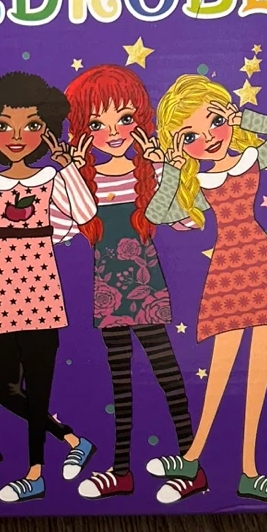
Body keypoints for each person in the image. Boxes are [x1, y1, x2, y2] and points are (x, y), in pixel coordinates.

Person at [142, 75, 267, 504]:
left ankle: (249, 471)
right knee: (220, 370)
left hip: (266, 269)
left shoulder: (250, 158)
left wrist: (246, 119)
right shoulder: (200, 184)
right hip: (228, 274)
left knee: (259, 374)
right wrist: (174, 168)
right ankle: (192, 456)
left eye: (214, 121)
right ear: (180, 144)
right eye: (190, 136)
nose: (208, 138)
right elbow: (158, 213)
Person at [61, 64, 193, 498]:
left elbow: (178, 217)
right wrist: (72, 168)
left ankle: (190, 459)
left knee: (165, 368)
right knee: (120, 378)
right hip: (108, 288)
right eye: (97, 124)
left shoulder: (149, 174)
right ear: (83, 131)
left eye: (124, 118)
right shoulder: (84, 180)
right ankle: (121, 469)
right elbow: (68, 223)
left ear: (140, 119)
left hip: (145, 283)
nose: (113, 132)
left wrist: (162, 165)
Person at [0, 71, 97, 503]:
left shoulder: (50, 179)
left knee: (39, 387)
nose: (17, 137)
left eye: (32, 125)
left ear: (46, 130)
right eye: (4, 126)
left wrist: (67, 166)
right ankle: (73, 440)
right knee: (2, 390)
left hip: (42, 291)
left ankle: (35, 473)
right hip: (6, 293)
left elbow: (85, 212)